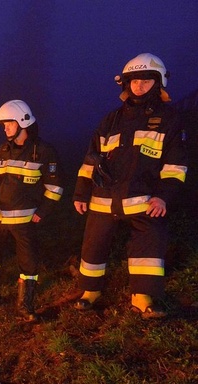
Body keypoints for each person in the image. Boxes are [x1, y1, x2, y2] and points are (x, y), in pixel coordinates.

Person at [72, 53, 187, 318]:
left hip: (145, 199)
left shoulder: (170, 120)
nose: (138, 86)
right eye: (134, 81)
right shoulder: (110, 120)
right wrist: (81, 192)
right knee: (93, 244)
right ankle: (90, 291)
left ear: (158, 84)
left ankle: (143, 296)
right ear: (126, 84)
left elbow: (176, 165)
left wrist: (163, 197)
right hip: (103, 198)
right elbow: (91, 159)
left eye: (146, 80)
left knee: (148, 245)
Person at [0, 100, 62, 321]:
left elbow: (55, 187)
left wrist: (42, 212)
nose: (5, 129)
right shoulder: (2, 150)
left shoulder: (43, 151)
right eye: (3, 125)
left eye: (8, 124)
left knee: (28, 262)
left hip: (25, 221)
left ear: (23, 121)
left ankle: (25, 305)